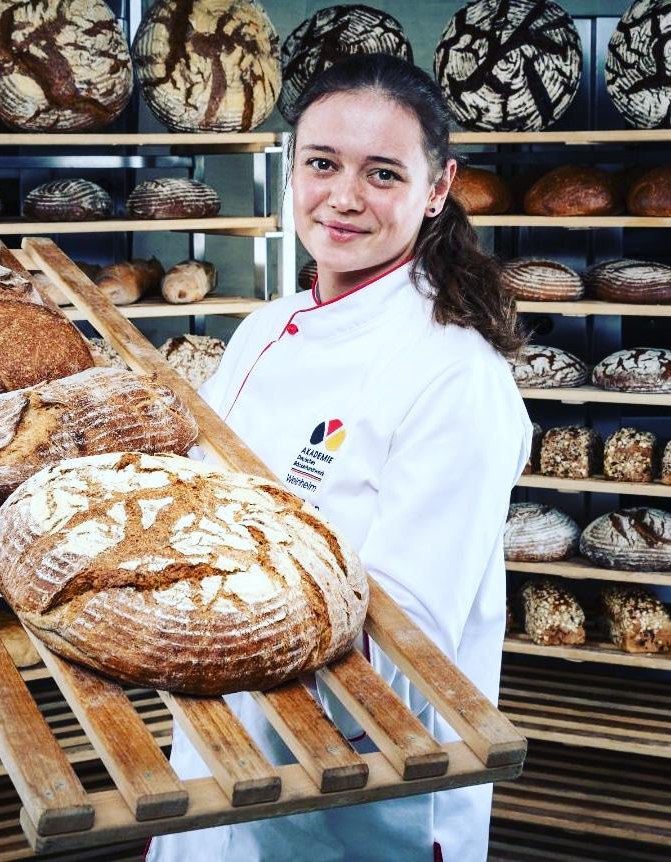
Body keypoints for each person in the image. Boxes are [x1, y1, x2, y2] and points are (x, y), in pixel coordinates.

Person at [147, 52, 533, 862]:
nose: (344, 197)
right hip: (216, 739)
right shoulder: (264, 327)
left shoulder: (455, 374)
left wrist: (202, 627)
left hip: (361, 789)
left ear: (437, 188)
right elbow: (199, 501)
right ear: (293, 169)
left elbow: (410, 638)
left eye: (383, 173)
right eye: (322, 163)